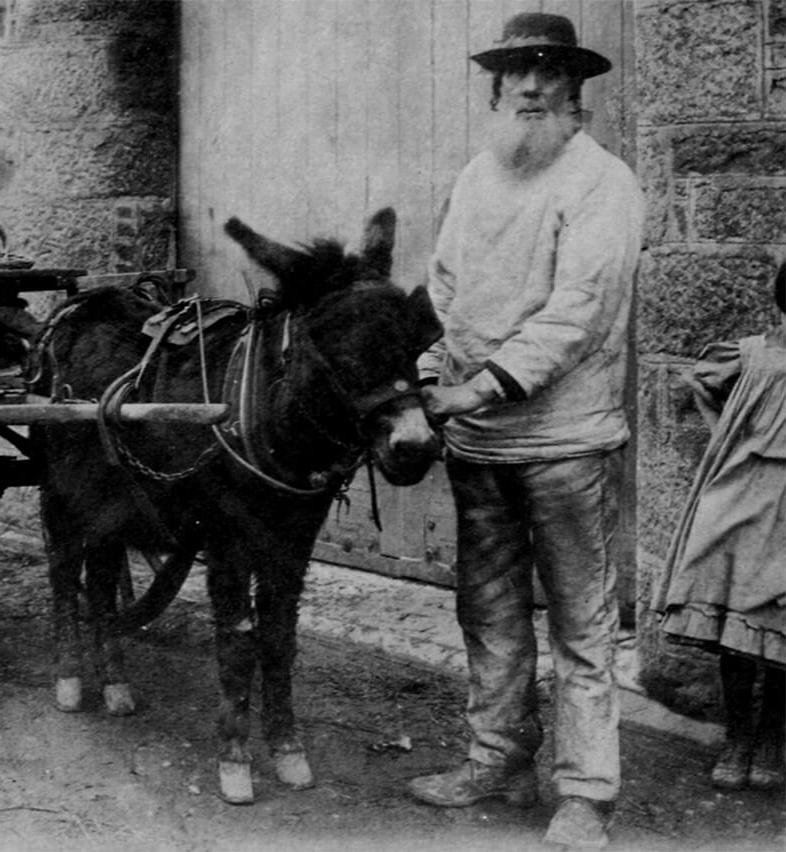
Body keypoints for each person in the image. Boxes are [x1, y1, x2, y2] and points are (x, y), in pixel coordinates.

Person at [406, 13, 644, 850]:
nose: (534, 86)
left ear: (576, 93)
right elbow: (444, 291)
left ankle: (586, 794)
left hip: (566, 440)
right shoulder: (476, 178)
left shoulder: (601, 181)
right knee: (490, 610)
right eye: (518, 73)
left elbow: (581, 311)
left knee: (582, 624)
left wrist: (484, 388)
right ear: (496, 90)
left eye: (551, 73)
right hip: (480, 443)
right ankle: (497, 758)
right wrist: (434, 375)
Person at [655, 264, 786, 792]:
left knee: (778, 630)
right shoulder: (752, 353)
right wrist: (723, 438)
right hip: (743, 493)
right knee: (735, 632)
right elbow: (703, 384)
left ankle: (773, 741)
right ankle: (737, 738)